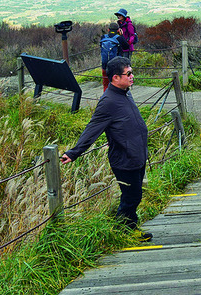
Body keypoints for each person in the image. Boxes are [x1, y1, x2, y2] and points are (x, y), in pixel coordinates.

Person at [61, 57, 151, 240]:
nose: (132, 76)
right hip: (124, 159)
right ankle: (126, 230)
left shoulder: (126, 93)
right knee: (131, 197)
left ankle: (124, 228)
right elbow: (92, 129)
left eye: (132, 72)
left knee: (134, 196)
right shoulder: (108, 101)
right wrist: (74, 152)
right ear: (115, 78)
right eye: (129, 73)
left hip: (137, 156)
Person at [99, 23, 129, 92]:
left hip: (105, 65)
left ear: (108, 29)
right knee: (117, 84)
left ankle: (106, 97)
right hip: (116, 65)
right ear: (118, 30)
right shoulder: (119, 38)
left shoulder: (103, 37)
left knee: (106, 83)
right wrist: (121, 35)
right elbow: (126, 46)